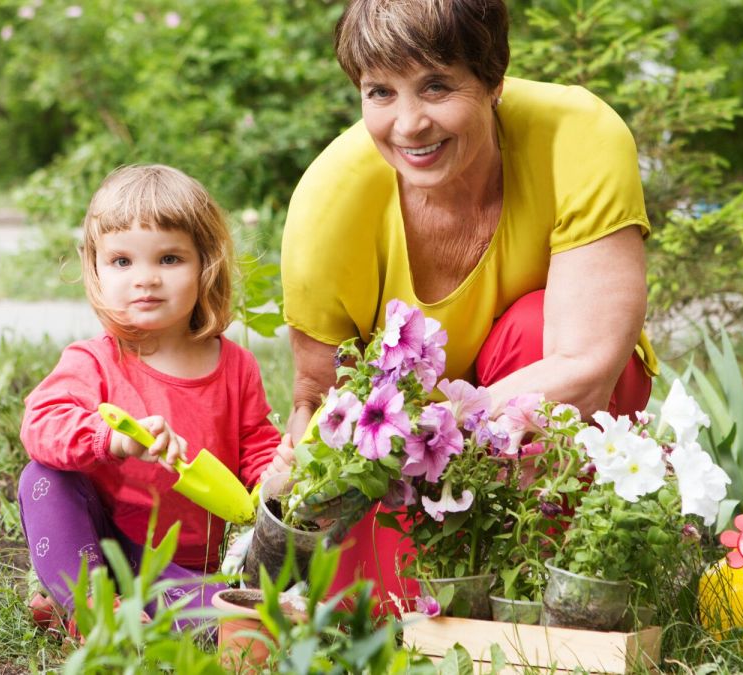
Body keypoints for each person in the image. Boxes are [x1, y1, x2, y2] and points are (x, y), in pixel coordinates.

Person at [274, 0, 657, 611]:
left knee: (534, 326)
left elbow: (588, 365)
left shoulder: (578, 135)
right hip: (411, 455)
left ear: (494, 80)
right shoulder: (328, 204)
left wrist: (431, 432)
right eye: (380, 92)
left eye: (436, 86)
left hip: (529, 423)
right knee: (389, 615)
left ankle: (550, 596)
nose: (408, 124)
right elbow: (322, 400)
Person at [19, 165, 282, 634]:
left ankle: (86, 611)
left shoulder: (235, 365)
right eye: (122, 261)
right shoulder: (95, 361)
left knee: (235, 622)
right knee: (44, 477)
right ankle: (92, 604)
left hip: (176, 566)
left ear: (206, 262)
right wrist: (109, 439)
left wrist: (275, 475)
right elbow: (41, 425)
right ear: (95, 268)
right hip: (97, 540)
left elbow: (255, 443)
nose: (146, 279)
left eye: (168, 259)